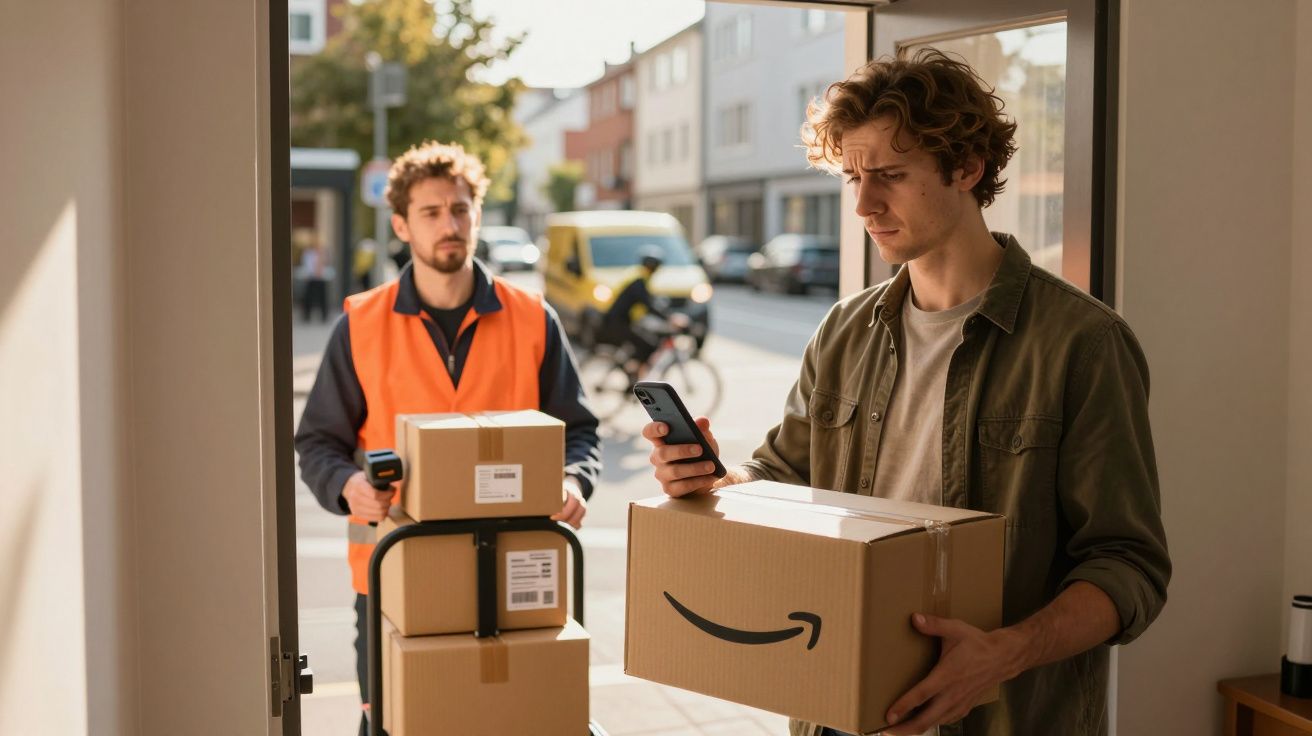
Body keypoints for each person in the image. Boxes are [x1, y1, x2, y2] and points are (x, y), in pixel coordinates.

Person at [641, 49, 1170, 736]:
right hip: (838, 706)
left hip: (999, 718)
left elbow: (1129, 566)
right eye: (854, 176)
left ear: (967, 169)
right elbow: (781, 477)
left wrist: (1004, 655)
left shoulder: (1083, 343)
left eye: (889, 175)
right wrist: (715, 479)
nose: (863, 204)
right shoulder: (843, 330)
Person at [294, 140, 602, 736]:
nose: (449, 224)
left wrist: (573, 479)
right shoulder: (360, 323)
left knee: (515, 723)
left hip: (517, 568)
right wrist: (347, 486)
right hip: (395, 574)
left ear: (477, 215)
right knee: (397, 725)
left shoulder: (533, 317)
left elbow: (580, 430)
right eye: (431, 212)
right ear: (402, 225)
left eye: (460, 209)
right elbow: (317, 442)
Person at [599, 247, 685, 376]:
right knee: (649, 345)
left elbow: (651, 300)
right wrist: (670, 318)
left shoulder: (638, 277)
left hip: (622, 321)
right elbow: (648, 305)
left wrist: (666, 312)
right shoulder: (638, 281)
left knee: (645, 340)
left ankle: (633, 371)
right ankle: (634, 372)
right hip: (618, 323)